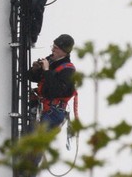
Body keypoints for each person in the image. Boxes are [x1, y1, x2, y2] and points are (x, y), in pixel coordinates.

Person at [27, 34, 78, 173]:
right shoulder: (51, 61)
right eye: (53, 47)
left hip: (53, 112)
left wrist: (47, 71)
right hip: (42, 108)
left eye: (56, 48)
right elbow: (31, 77)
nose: (53, 50)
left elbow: (55, 90)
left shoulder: (68, 70)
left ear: (64, 51)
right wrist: (35, 69)